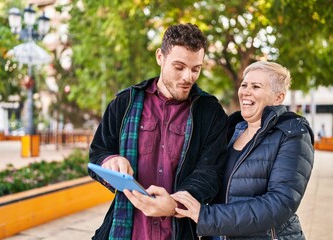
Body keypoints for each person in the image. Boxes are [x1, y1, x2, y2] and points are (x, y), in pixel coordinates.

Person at [88, 23, 228, 240]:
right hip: (125, 230)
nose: (188, 78)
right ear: (160, 57)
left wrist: (174, 204)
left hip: (181, 231)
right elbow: (98, 152)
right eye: (179, 67)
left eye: (195, 69)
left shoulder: (211, 112)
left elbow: (211, 172)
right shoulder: (124, 103)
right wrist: (110, 160)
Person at [171, 61, 315, 239]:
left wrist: (206, 216)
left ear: (278, 97)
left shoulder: (292, 133)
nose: (246, 91)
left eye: (256, 86)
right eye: (244, 85)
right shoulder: (230, 130)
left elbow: (280, 203)